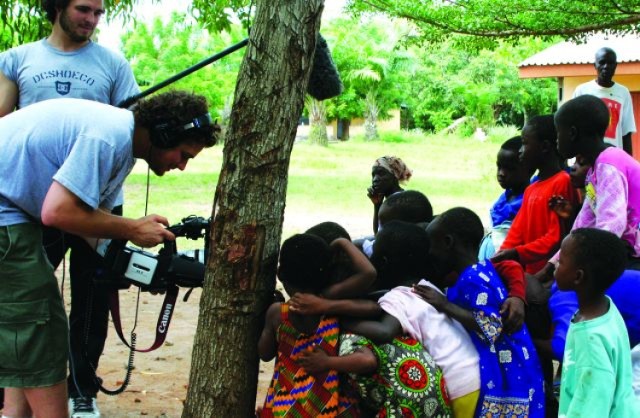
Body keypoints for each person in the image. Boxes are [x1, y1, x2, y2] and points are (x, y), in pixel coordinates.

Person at [0, 90, 218, 418]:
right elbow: (56, 213)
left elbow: (93, 228)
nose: (182, 166)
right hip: (8, 219)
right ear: (163, 134)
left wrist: (150, 268)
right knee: (40, 327)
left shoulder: (121, 146)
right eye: (183, 154)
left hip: (13, 215)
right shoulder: (109, 139)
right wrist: (132, 228)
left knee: (32, 326)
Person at [0, 1, 140, 415]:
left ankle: (83, 390)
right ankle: (18, 397)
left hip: (95, 200)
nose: (91, 20)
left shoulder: (114, 64)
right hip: (31, 203)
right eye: (83, 9)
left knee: (91, 300)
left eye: (99, 13)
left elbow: (135, 130)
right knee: (27, 306)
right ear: (58, 6)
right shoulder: (18, 58)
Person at [415, 207, 545, 417]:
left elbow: (491, 325)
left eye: (432, 245)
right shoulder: (480, 271)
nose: (430, 253)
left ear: (448, 242)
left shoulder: (471, 279)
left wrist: (444, 304)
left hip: (509, 375)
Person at [537, 95, 640, 282]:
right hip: (626, 250)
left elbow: (610, 227)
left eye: (558, 132)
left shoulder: (609, 164)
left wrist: (574, 265)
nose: (556, 139)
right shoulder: (595, 171)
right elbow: (583, 224)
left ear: (572, 133)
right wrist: (551, 265)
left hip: (634, 257)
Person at [258, 234, 360, 417]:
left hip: (286, 405)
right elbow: (368, 274)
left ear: (280, 274)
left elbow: (264, 353)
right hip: (328, 403)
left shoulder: (277, 313)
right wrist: (341, 242)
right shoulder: (329, 304)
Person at [553, 228, 640, 416]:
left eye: (560, 262)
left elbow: (592, 408)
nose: (555, 266)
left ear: (578, 277)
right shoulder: (607, 308)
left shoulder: (590, 341)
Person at [492, 115, 578, 275]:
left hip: (555, 275)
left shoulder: (562, 182)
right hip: (532, 274)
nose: (520, 150)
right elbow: (516, 233)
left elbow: (555, 238)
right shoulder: (531, 189)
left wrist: (516, 253)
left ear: (544, 147)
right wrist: (498, 259)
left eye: (525, 143)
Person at [572, 47, 636, 155]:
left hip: (614, 159)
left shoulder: (623, 93)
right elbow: (573, 129)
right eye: (602, 62)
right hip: (587, 158)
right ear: (595, 65)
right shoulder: (582, 91)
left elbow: (626, 133)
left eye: (610, 63)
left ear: (615, 66)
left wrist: (628, 164)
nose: (606, 67)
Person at [478, 136, 533, 259]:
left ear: (529, 170)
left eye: (510, 169)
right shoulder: (504, 198)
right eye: (499, 167)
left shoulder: (528, 201)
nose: (501, 173)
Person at [361, 190, 433, 258]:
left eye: (385, 227)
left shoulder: (395, 248)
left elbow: (369, 245)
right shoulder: (426, 243)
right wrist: (377, 205)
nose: (381, 231)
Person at [367, 156, 412, 234]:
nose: (375, 179)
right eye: (373, 175)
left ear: (394, 176)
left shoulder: (396, 202)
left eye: (381, 174)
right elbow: (378, 233)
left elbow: (379, 235)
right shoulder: (396, 197)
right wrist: (377, 205)